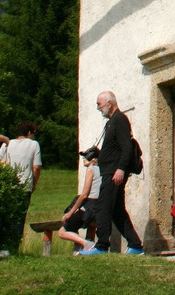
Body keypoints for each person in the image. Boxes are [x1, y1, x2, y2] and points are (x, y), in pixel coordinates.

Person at [78, 91, 144, 255]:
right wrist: (98, 155)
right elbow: (115, 150)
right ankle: (135, 245)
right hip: (110, 171)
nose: (98, 108)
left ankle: (101, 246)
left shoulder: (120, 119)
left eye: (99, 104)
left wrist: (121, 169)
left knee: (103, 207)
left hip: (114, 173)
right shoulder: (112, 122)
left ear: (109, 103)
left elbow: (127, 148)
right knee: (117, 211)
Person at [0, 121, 43, 235]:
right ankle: (15, 242)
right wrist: (34, 184)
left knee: (6, 214)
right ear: (29, 133)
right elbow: (36, 167)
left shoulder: (7, 143)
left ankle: (4, 243)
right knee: (19, 217)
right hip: (24, 184)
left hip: (7, 184)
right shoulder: (34, 144)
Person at [58, 147, 101, 253]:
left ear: (92, 159)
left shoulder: (91, 169)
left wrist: (70, 212)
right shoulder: (103, 169)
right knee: (91, 227)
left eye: (85, 157)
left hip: (89, 206)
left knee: (63, 232)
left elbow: (84, 195)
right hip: (99, 206)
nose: (83, 159)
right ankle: (87, 248)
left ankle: (86, 244)